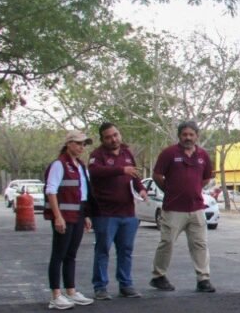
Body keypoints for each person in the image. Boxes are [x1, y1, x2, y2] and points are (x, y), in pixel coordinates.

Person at [150, 120, 216, 292]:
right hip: (173, 208)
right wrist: (169, 190)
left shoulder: (203, 156)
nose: (188, 137)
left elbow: (207, 178)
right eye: (184, 134)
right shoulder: (169, 153)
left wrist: (193, 189)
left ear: (196, 136)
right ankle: (159, 276)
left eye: (191, 134)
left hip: (196, 208)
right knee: (167, 243)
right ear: (179, 136)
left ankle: (203, 279)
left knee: (200, 244)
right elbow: (157, 175)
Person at [88, 122, 147, 300]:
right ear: (102, 139)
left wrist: (141, 189)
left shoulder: (127, 153)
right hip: (106, 213)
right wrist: (120, 169)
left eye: (115, 135)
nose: (113, 139)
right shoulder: (97, 156)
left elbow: (134, 175)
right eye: (108, 137)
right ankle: (100, 286)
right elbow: (95, 172)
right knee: (103, 249)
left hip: (128, 211)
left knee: (126, 250)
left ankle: (126, 284)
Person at [44, 131, 95, 310]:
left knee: (71, 255)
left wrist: (86, 215)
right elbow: (51, 191)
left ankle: (71, 291)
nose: (82, 147)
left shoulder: (80, 165)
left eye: (84, 144)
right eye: (79, 143)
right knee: (58, 254)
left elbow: (83, 192)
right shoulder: (59, 165)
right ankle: (56, 294)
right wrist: (58, 216)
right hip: (64, 216)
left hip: (78, 214)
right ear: (69, 144)